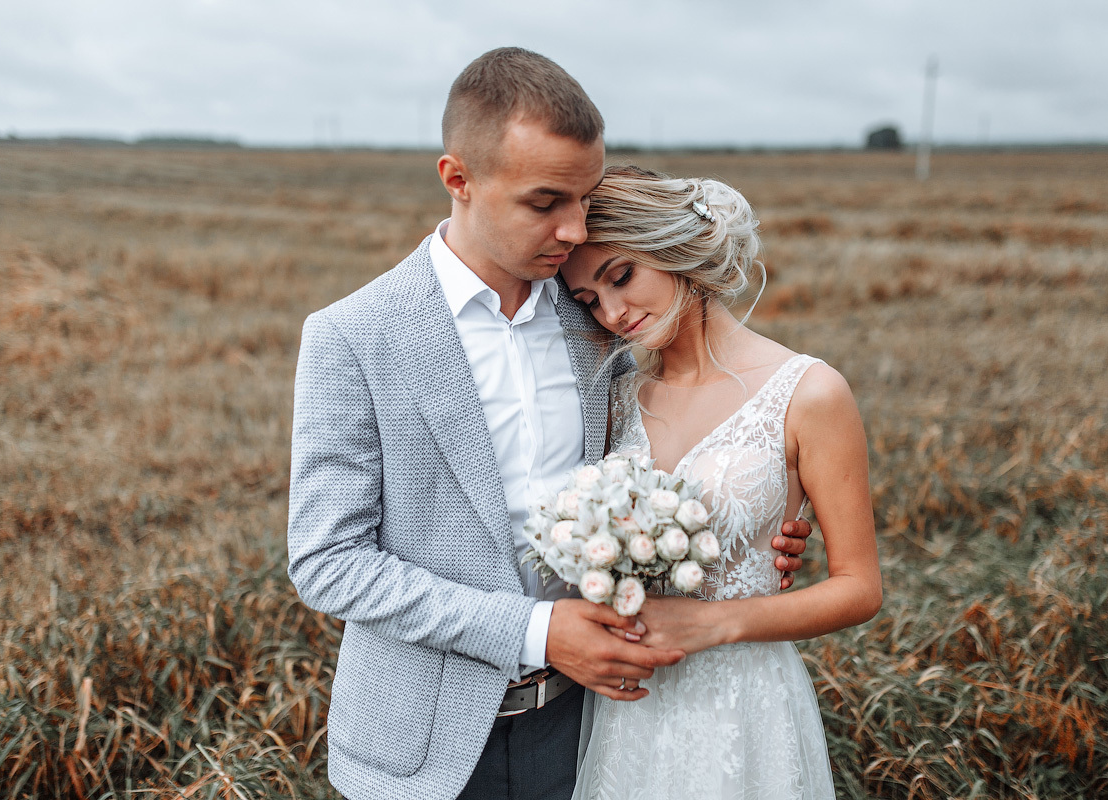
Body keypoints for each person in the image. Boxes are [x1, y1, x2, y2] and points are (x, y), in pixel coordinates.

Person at [286, 49, 812, 800]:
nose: (573, 231)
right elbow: (327, 560)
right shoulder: (354, 336)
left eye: (585, 200)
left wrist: (768, 516)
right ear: (458, 179)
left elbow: (677, 446)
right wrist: (536, 632)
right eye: (544, 203)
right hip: (420, 754)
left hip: (596, 729)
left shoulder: (599, 320)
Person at [559, 166, 883, 799]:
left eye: (621, 276)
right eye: (589, 301)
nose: (614, 311)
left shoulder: (809, 392)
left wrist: (713, 624)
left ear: (674, 250)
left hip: (743, 704)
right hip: (630, 704)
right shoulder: (613, 396)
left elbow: (859, 588)